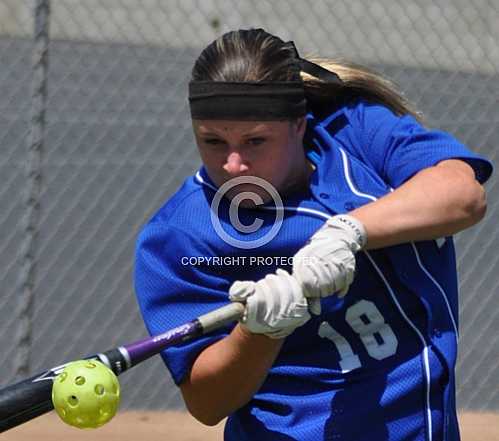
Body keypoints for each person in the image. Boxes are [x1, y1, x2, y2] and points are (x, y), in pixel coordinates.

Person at [134, 28, 493, 441]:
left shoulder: (351, 133)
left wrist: (349, 231)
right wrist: (261, 333)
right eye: (212, 141)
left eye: (255, 141)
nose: (233, 164)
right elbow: (207, 402)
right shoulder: (181, 236)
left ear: (299, 126)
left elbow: (464, 194)